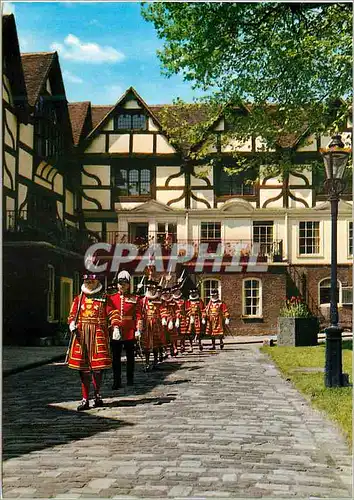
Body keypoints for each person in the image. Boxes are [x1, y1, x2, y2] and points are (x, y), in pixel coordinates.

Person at [67, 274, 112, 411]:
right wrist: (72, 323)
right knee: (83, 370)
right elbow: (72, 315)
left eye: (91, 282)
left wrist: (115, 326)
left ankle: (97, 395)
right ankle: (85, 398)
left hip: (98, 335)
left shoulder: (104, 298)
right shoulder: (79, 298)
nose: (89, 284)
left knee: (98, 369)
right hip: (82, 336)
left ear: (97, 282)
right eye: (86, 282)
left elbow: (113, 313)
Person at [108, 270, 142, 390]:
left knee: (130, 357)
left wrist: (138, 329)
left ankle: (130, 379)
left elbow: (138, 315)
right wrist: (113, 327)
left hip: (129, 331)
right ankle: (116, 381)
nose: (122, 286)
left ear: (129, 285)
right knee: (116, 357)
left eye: (125, 283)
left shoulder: (135, 298)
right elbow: (109, 313)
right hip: (116, 330)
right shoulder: (111, 298)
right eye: (120, 283)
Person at [141, 280, 163, 369]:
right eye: (149, 288)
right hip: (146, 325)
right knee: (146, 345)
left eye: (153, 289)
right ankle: (147, 362)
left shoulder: (159, 300)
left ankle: (155, 361)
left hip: (156, 324)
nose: (151, 290)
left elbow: (162, 310)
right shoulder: (143, 300)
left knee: (156, 344)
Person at [185, 287, 205, 351]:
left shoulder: (200, 301)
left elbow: (203, 309)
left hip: (198, 318)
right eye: (192, 293)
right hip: (190, 318)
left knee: (198, 332)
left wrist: (203, 317)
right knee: (189, 332)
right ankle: (190, 346)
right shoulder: (188, 301)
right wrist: (189, 314)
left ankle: (199, 343)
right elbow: (185, 310)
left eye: (194, 293)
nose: (193, 294)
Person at [160, 287, 178, 357]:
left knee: (172, 335)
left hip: (171, 319)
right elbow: (159, 310)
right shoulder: (161, 301)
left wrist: (177, 319)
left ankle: (174, 348)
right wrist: (162, 318)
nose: (165, 295)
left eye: (167, 293)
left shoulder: (173, 302)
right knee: (163, 335)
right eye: (164, 293)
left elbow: (177, 311)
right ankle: (165, 350)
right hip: (163, 320)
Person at [172, 284, 189, 352]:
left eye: (178, 291)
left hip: (182, 318)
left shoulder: (183, 300)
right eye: (175, 291)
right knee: (174, 333)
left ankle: (182, 345)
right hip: (173, 318)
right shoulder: (171, 300)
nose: (177, 292)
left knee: (182, 332)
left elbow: (187, 309)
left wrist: (188, 317)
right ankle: (174, 347)